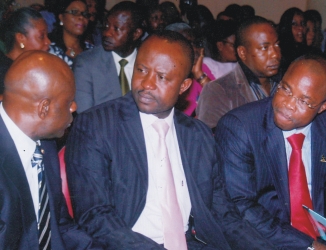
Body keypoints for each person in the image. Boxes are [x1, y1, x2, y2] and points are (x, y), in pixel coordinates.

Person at [65, 30, 275, 250]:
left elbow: (224, 214)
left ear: (184, 86)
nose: (146, 83)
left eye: (161, 77)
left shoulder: (198, 136)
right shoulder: (96, 125)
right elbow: (95, 215)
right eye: (141, 70)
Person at [215, 54, 326, 249]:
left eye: (304, 101)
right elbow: (241, 206)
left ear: (323, 107)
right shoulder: (241, 128)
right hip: (264, 242)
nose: (288, 104)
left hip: (321, 240)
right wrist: (309, 246)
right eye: (286, 89)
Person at [0, 50, 100, 249]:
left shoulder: (44, 145)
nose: (74, 107)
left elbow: (59, 224)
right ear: (44, 108)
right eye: (68, 101)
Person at [196, 16, 281, 130]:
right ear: (242, 52)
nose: (275, 54)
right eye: (265, 48)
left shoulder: (284, 84)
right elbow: (210, 140)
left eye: (277, 45)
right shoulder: (218, 90)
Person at [73, 1, 143, 113]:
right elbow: (85, 117)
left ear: (136, 34)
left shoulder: (148, 63)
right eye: (106, 25)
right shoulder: (87, 63)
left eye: (116, 28)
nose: (107, 33)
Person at [0, 7, 50, 95]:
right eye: (41, 36)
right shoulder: (5, 73)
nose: (48, 42)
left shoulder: (39, 67)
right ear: (21, 38)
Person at [48, 0, 93, 68]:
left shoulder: (92, 51)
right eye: (74, 12)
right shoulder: (49, 50)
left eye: (85, 14)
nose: (81, 17)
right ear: (61, 17)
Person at [278, 8, 318, 72]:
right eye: (294, 24)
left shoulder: (311, 52)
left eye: (302, 23)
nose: (300, 28)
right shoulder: (279, 53)